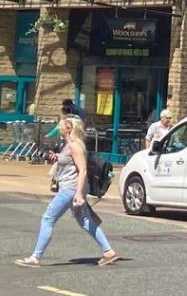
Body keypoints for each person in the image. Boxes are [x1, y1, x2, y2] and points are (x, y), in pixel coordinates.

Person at [16, 115, 116, 268]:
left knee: (48, 218)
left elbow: (82, 170)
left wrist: (78, 193)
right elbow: (69, 162)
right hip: (70, 187)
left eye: (61, 125)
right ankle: (108, 252)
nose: (58, 127)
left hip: (70, 188)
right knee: (85, 221)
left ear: (69, 128)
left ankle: (35, 257)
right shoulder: (68, 145)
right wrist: (57, 157)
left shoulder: (75, 145)